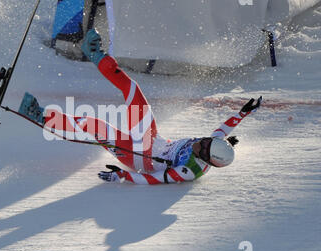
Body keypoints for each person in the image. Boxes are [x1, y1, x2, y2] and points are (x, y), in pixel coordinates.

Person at [20, 29, 262, 185]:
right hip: (153, 139)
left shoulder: (190, 171)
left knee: (94, 126)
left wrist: (124, 175)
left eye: (206, 146)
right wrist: (243, 112)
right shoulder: (211, 146)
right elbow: (222, 131)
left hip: (141, 158)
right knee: (133, 90)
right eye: (208, 141)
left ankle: (39, 117)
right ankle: (95, 54)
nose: (203, 140)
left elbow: (154, 179)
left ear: (208, 160)